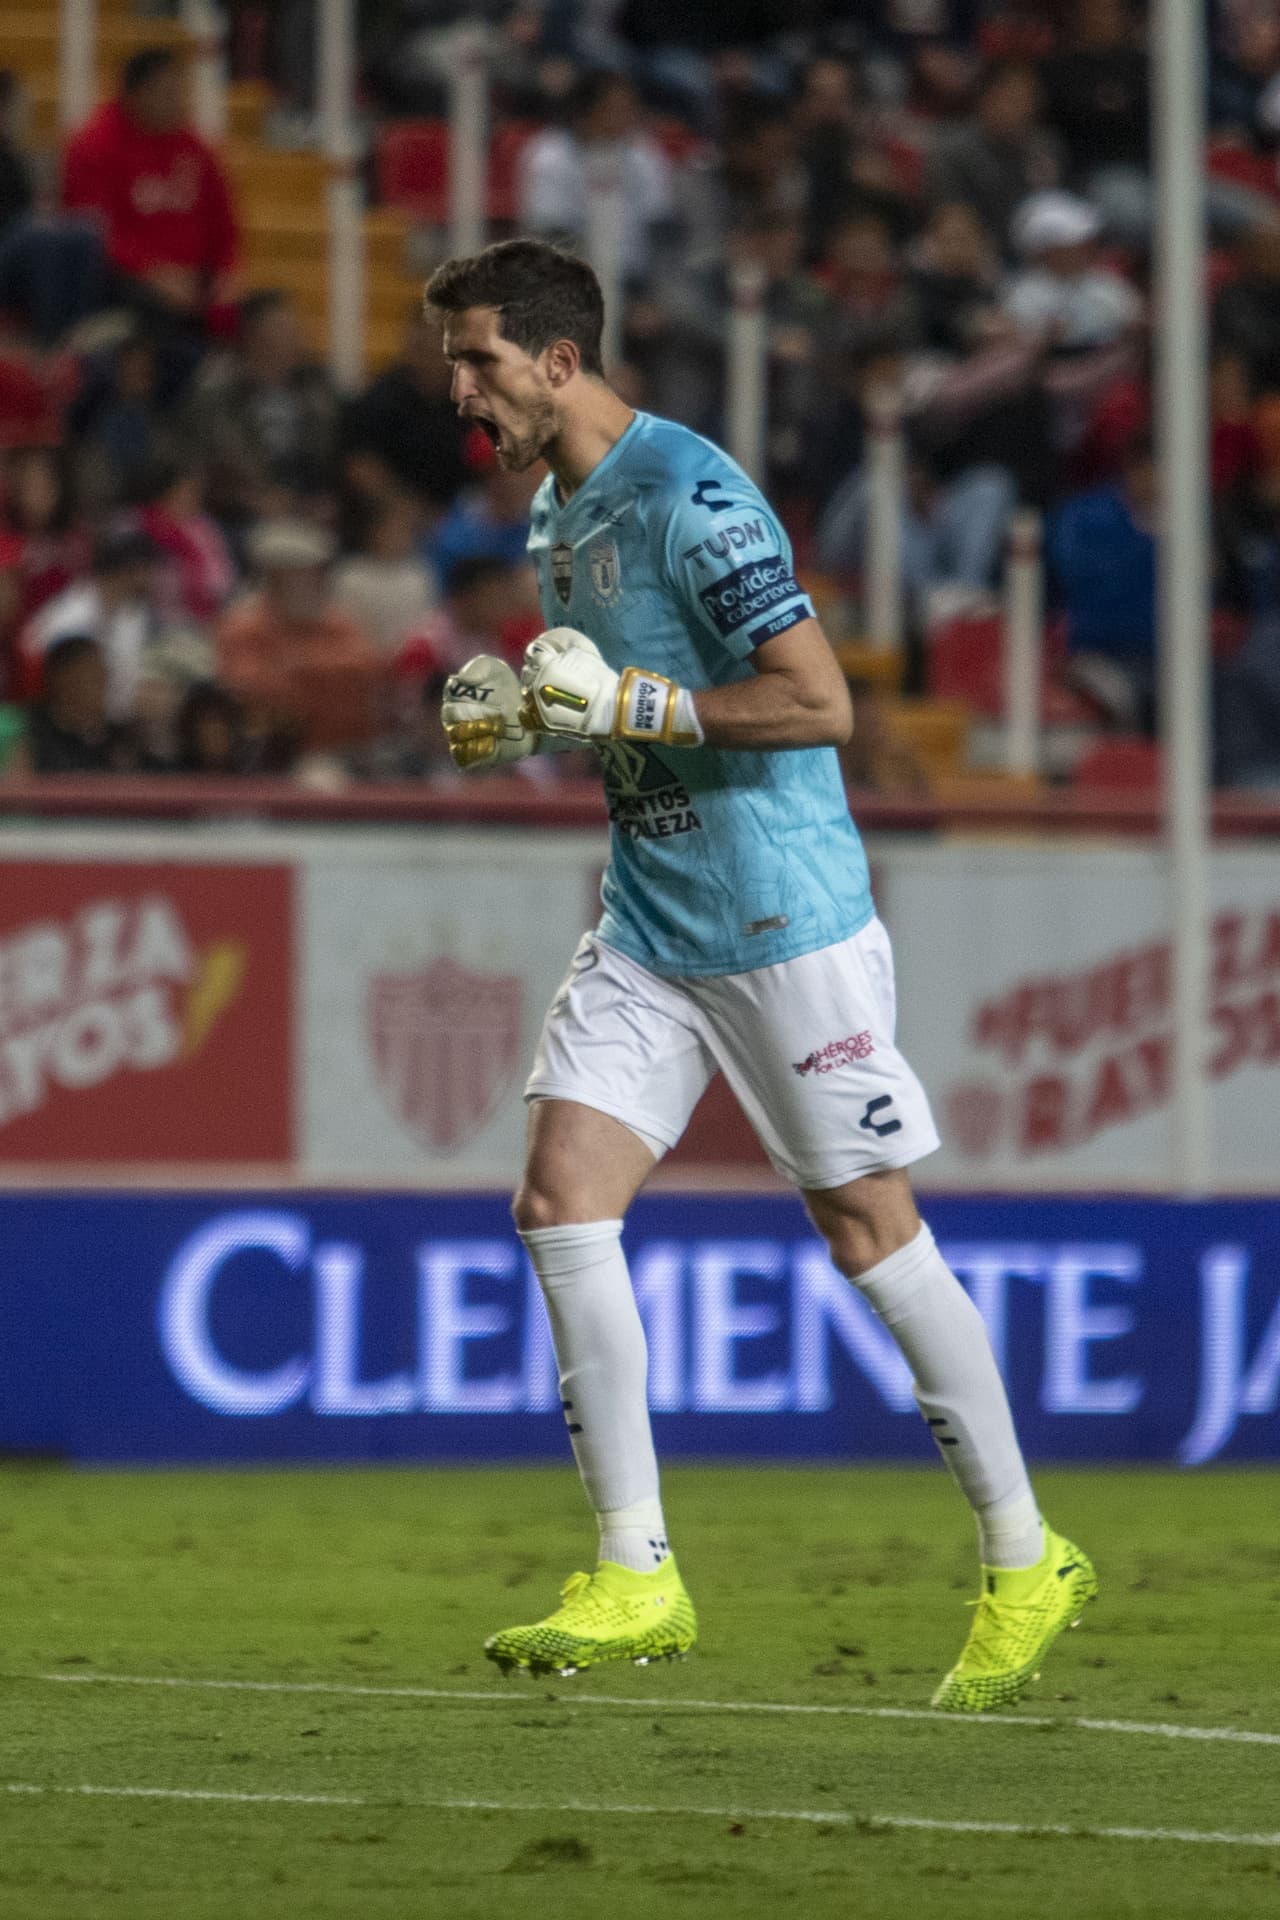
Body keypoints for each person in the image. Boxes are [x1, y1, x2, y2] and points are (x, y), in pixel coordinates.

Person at [427, 237, 1096, 1707]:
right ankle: (634, 1569)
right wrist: (545, 722)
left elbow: (819, 703)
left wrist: (637, 699)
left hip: (784, 922)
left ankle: (1025, 1551)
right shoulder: (557, 514)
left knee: (869, 1232)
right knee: (557, 1201)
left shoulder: (691, 494)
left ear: (556, 358)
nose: (454, 386)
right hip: (654, 920)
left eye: (475, 357)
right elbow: (624, 712)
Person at [62, 47, 239, 338]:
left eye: (178, 91)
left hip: (193, 279)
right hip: (123, 280)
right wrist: (153, 273)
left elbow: (223, 223)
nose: (178, 102)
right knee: (160, 315)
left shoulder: (194, 147)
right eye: (167, 92)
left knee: (261, 313)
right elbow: (93, 232)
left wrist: (225, 273)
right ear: (137, 94)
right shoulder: (94, 145)